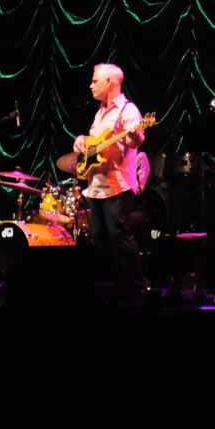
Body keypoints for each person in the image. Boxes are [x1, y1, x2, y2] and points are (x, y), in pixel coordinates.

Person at [73, 63, 149, 296]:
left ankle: (138, 285)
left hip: (117, 186)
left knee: (119, 237)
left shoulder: (128, 110)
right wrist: (82, 140)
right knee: (100, 239)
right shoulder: (100, 112)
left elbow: (135, 140)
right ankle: (117, 286)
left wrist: (134, 134)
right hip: (96, 186)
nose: (91, 85)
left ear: (109, 82)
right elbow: (94, 143)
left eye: (95, 81)